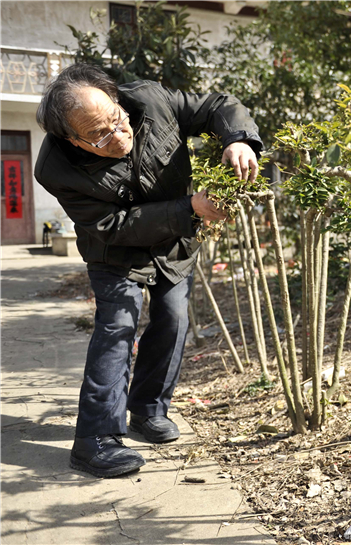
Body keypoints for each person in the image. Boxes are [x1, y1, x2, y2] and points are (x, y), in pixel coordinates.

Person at [35, 63, 262, 478]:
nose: (118, 137)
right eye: (99, 136)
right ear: (71, 139)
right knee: (116, 326)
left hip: (175, 242)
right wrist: (188, 207)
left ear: (119, 101)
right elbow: (111, 225)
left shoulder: (151, 99)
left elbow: (217, 105)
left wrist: (238, 139)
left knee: (174, 320)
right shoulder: (54, 169)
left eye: (117, 121)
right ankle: (94, 440)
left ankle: (148, 409)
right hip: (114, 251)